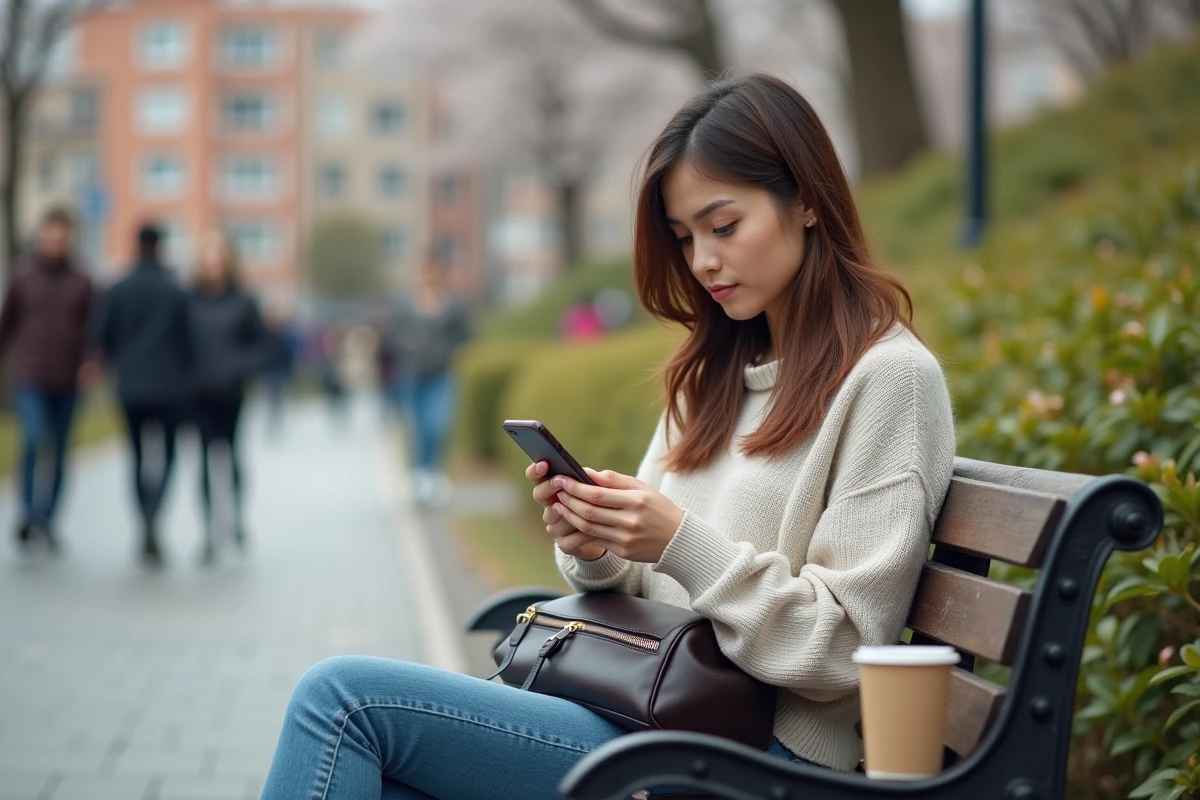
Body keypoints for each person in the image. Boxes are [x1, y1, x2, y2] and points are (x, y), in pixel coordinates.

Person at [258, 73, 956, 800]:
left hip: (761, 758)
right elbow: (645, 579)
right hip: (655, 713)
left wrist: (679, 541)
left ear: (807, 200)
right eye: (684, 238)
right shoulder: (712, 376)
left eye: (723, 226)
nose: (702, 261)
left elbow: (847, 648)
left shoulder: (889, 379)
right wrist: (595, 544)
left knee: (341, 703)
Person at [0, 207, 97, 554]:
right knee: (32, 439)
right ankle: (29, 514)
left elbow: (94, 329)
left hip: (68, 379)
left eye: (62, 235)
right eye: (51, 234)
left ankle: (48, 520)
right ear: (41, 236)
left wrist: (92, 361)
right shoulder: (23, 276)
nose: (56, 241)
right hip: (30, 376)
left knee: (58, 451)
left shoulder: (82, 280)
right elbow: (6, 323)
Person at [98, 222, 193, 565]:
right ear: (160, 247)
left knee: (137, 456)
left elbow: (102, 336)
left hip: (131, 386)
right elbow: (188, 340)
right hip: (169, 387)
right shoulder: (175, 291)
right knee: (167, 455)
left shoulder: (118, 289)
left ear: (136, 245)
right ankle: (155, 514)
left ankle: (143, 517)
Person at [187, 230, 278, 565]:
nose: (213, 267)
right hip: (198, 393)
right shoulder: (189, 300)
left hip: (232, 391)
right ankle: (209, 532)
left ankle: (237, 520)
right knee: (204, 462)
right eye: (207, 260)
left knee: (233, 457)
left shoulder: (243, 301)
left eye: (218, 260)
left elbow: (263, 344)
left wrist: (240, 366)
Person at [387, 258, 472, 507]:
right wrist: (409, 344)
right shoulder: (405, 305)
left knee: (437, 424)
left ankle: (433, 472)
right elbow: (393, 337)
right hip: (412, 374)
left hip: (441, 374)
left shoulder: (453, 306)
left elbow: (466, 337)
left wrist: (448, 351)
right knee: (418, 426)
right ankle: (419, 474)